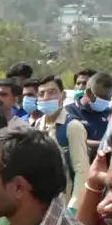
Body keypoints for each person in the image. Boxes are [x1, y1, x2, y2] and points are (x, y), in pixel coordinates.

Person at [30, 75, 91, 209]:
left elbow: (82, 170)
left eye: (52, 92)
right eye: (41, 94)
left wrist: (74, 206)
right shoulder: (38, 125)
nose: (46, 97)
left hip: (64, 203)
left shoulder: (72, 126)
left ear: (62, 95)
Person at [63, 71, 112, 144]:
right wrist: (103, 145)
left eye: (109, 97)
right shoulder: (68, 112)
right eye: (103, 97)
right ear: (88, 92)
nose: (107, 101)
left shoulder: (109, 113)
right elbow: (72, 140)